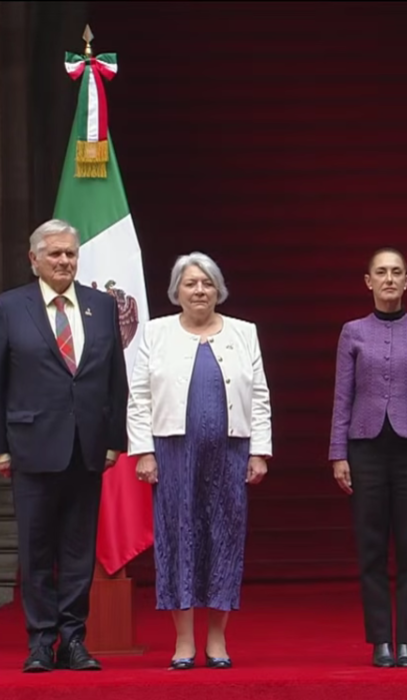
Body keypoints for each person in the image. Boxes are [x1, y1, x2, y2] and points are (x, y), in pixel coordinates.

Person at [0, 219, 129, 673]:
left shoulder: (100, 306)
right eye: (56, 254)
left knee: (79, 552)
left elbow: (114, 379)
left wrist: (114, 440)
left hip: (87, 448)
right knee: (38, 549)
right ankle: (41, 643)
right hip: (31, 447)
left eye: (71, 254)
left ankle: (74, 640)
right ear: (34, 259)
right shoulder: (8, 308)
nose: (64, 261)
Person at [127, 251, 272, 671]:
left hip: (229, 452)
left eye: (207, 283)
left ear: (218, 290)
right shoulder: (156, 333)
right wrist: (144, 451)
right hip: (173, 454)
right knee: (178, 539)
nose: (199, 290)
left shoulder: (245, 332)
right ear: (177, 291)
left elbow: (259, 396)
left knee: (225, 538)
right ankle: (184, 641)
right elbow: (140, 397)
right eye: (190, 283)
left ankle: (217, 639)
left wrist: (259, 451)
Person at [328, 247, 407, 669]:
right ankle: (381, 639)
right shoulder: (352, 332)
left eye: (397, 272)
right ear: (368, 281)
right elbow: (343, 395)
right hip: (365, 448)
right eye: (381, 272)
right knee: (372, 547)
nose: (389, 279)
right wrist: (337, 453)